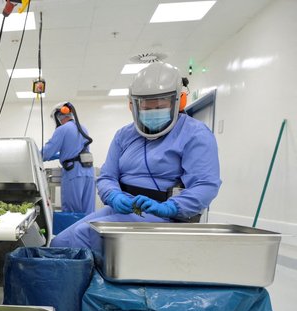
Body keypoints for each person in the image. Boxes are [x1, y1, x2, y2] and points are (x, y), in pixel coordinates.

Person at [51, 62, 221, 249]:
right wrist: (114, 196)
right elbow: (107, 176)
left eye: (161, 105)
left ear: (178, 102)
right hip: (123, 208)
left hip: (165, 215)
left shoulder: (195, 134)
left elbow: (204, 185)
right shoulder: (124, 135)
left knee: (82, 236)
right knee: (59, 242)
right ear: (132, 106)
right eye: (146, 106)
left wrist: (169, 207)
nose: (153, 111)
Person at [42, 102, 96, 214]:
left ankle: (73, 232)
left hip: (73, 173)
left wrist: (34, 156)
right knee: (88, 212)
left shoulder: (62, 129)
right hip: (89, 173)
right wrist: (59, 155)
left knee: (72, 212)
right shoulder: (83, 128)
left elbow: (47, 152)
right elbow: (74, 151)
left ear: (58, 116)